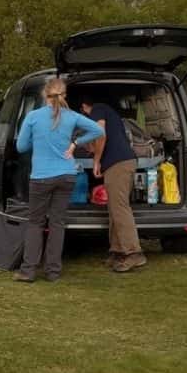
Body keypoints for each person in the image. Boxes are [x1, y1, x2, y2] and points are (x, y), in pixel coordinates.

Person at [12, 78, 104, 282]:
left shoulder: (33, 116)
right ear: (64, 95)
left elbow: (21, 147)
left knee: (35, 223)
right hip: (66, 175)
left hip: (41, 177)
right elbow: (99, 130)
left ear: (44, 95)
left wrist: (38, 141)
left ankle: (28, 271)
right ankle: (53, 272)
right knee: (57, 223)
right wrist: (75, 143)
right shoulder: (72, 116)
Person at [77, 97, 147, 273]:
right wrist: (88, 145)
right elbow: (97, 142)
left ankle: (134, 252)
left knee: (120, 207)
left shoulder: (98, 108)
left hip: (119, 164)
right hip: (118, 163)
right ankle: (118, 251)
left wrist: (96, 161)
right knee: (114, 207)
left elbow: (101, 134)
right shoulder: (107, 112)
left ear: (84, 106)